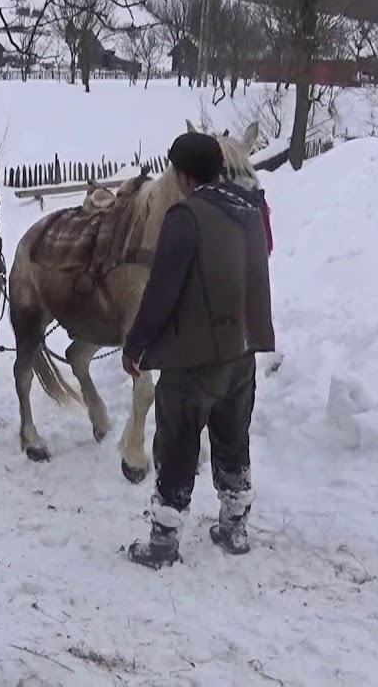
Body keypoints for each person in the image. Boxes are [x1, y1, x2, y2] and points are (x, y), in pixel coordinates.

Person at [120, 132, 276, 569]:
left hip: (194, 358)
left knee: (177, 444)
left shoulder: (185, 217)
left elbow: (162, 291)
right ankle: (234, 526)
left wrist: (136, 345)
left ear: (183, 176)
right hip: (242, 352)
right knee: (232, 438)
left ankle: (164, 543)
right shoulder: (249, 210)